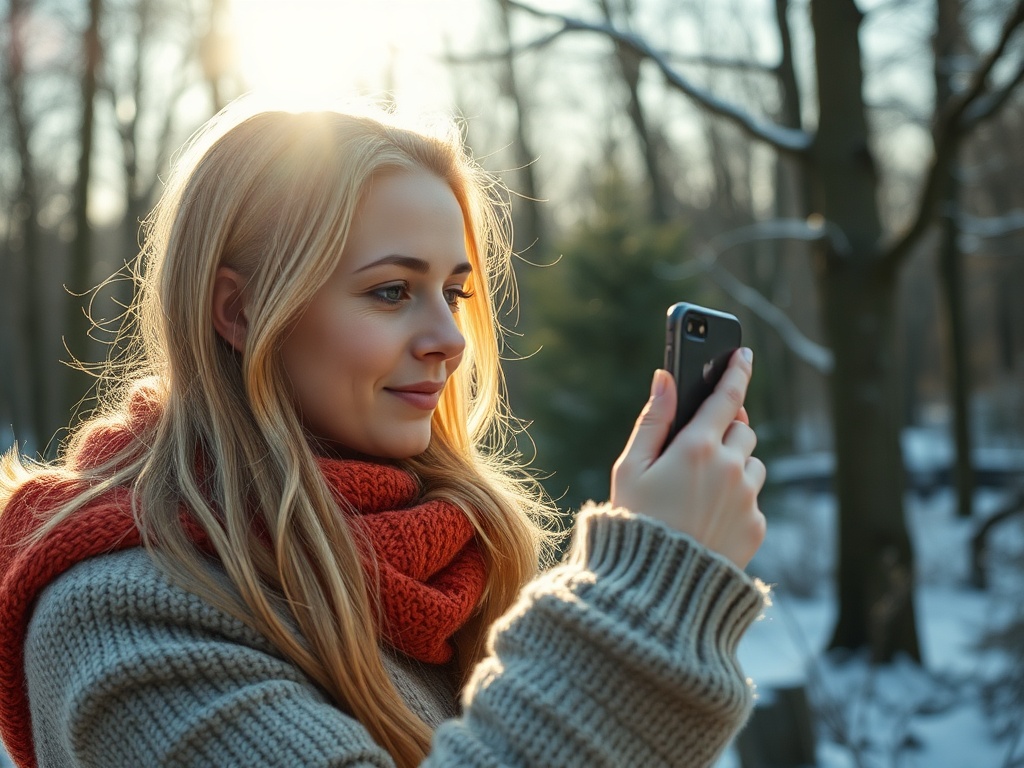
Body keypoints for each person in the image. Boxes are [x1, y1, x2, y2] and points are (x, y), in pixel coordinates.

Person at [0, 98, 767, 768]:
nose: (450, 339)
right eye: (392, 290)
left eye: (453, 292)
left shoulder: (440, 581)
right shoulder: (121, 616)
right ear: (238, 311)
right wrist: (648, 592)